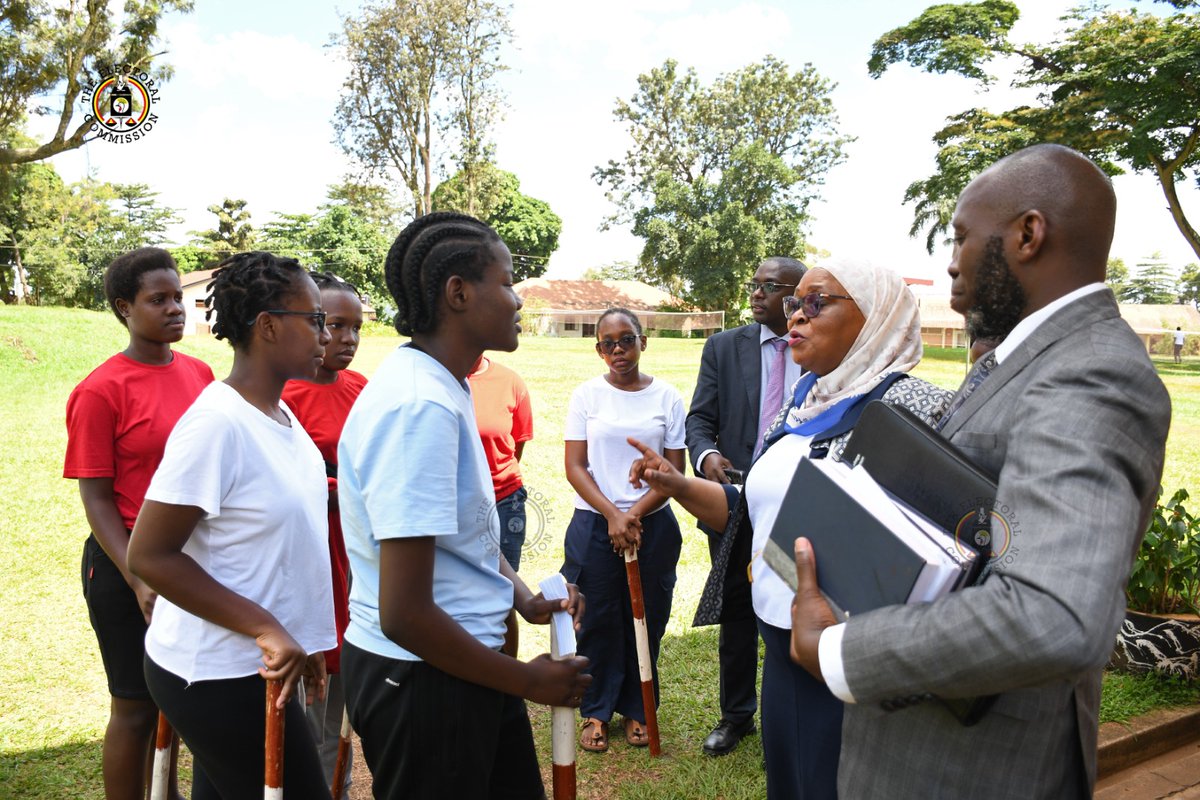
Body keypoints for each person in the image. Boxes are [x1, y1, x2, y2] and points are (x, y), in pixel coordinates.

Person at [788, 144, 1171, 799]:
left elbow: (1051, 613)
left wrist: (839, 649)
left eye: (962, 235)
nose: (951, 259)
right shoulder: (1027, 357)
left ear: (1027, 234)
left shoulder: (1089, 373)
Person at [630, 260, 952, 799]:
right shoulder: (801, 403)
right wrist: (678, 484)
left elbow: (946, 550)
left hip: (858, 659)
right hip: (782, 645)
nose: (796, 315)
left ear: (875, 317)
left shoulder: (915, 408)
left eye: (817, 302)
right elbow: (754, 512)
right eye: (794, 303)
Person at [337, 212, 590, 800]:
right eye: (506, 283)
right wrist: (528, 680)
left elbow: (462, 534)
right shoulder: (417, 405)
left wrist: (521, 596)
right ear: (458, 293)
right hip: (423, 678)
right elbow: (404, 612)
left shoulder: (441, 385)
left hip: (461, 663)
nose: (518, 299)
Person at [127, 252, 336, 800]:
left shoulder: (281, 415)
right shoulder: (217, 424)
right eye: (314, 319)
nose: (325, 333)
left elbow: (279, 548)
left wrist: (305, 637)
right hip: (217, 673)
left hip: (262, 666)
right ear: (267, 326)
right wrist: (268, 628)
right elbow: (150, 555)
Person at [63, 247, 213, 800]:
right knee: (134, 705)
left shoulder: (199, 373)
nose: (176, 308)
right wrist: (137, 576)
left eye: (179, 297)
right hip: (126, 561)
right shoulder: (101, 390)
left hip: (188, 561)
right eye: (159, 300)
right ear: (125, 307)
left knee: (175, 698)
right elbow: (96, 497)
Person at [685, 255, 807, 756]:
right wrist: (708, 456)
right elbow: (698, 421)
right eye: (753, 284)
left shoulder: (819, 346)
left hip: (799, 506)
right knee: (737, 609)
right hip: (736, 505)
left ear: (798, 295)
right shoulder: (722, 347)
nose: (756, 294)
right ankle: (737, 717)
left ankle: (797, 712)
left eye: (770, 286)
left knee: (799, 605)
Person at [563, 307, 687, 753]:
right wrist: (614, 516)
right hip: (595, 523)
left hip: (652, 523)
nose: (618, 350)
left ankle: (639, 706)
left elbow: (676, 470)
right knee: (595, 617)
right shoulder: (586, 396)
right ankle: (595, 710)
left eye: (626, 339)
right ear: (598, 350)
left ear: (643, 341)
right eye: (608, 343)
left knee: (648, 616)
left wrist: (633, 513)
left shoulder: (668, 397)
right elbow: (575, 467)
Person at [280, 271, 367, 795]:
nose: (347, 340)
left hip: (355, 546)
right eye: (334, 325)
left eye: (357, 328)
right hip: (307, 546)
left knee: (344, 674)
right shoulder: (282, 393)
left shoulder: (364, 391)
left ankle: (337, 779)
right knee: (307, 664)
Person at [468, 355, 534, 571]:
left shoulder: (511, 382)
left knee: (506, 585)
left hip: (505, 500)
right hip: (458, 501)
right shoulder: (442, 381)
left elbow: (516, 445)